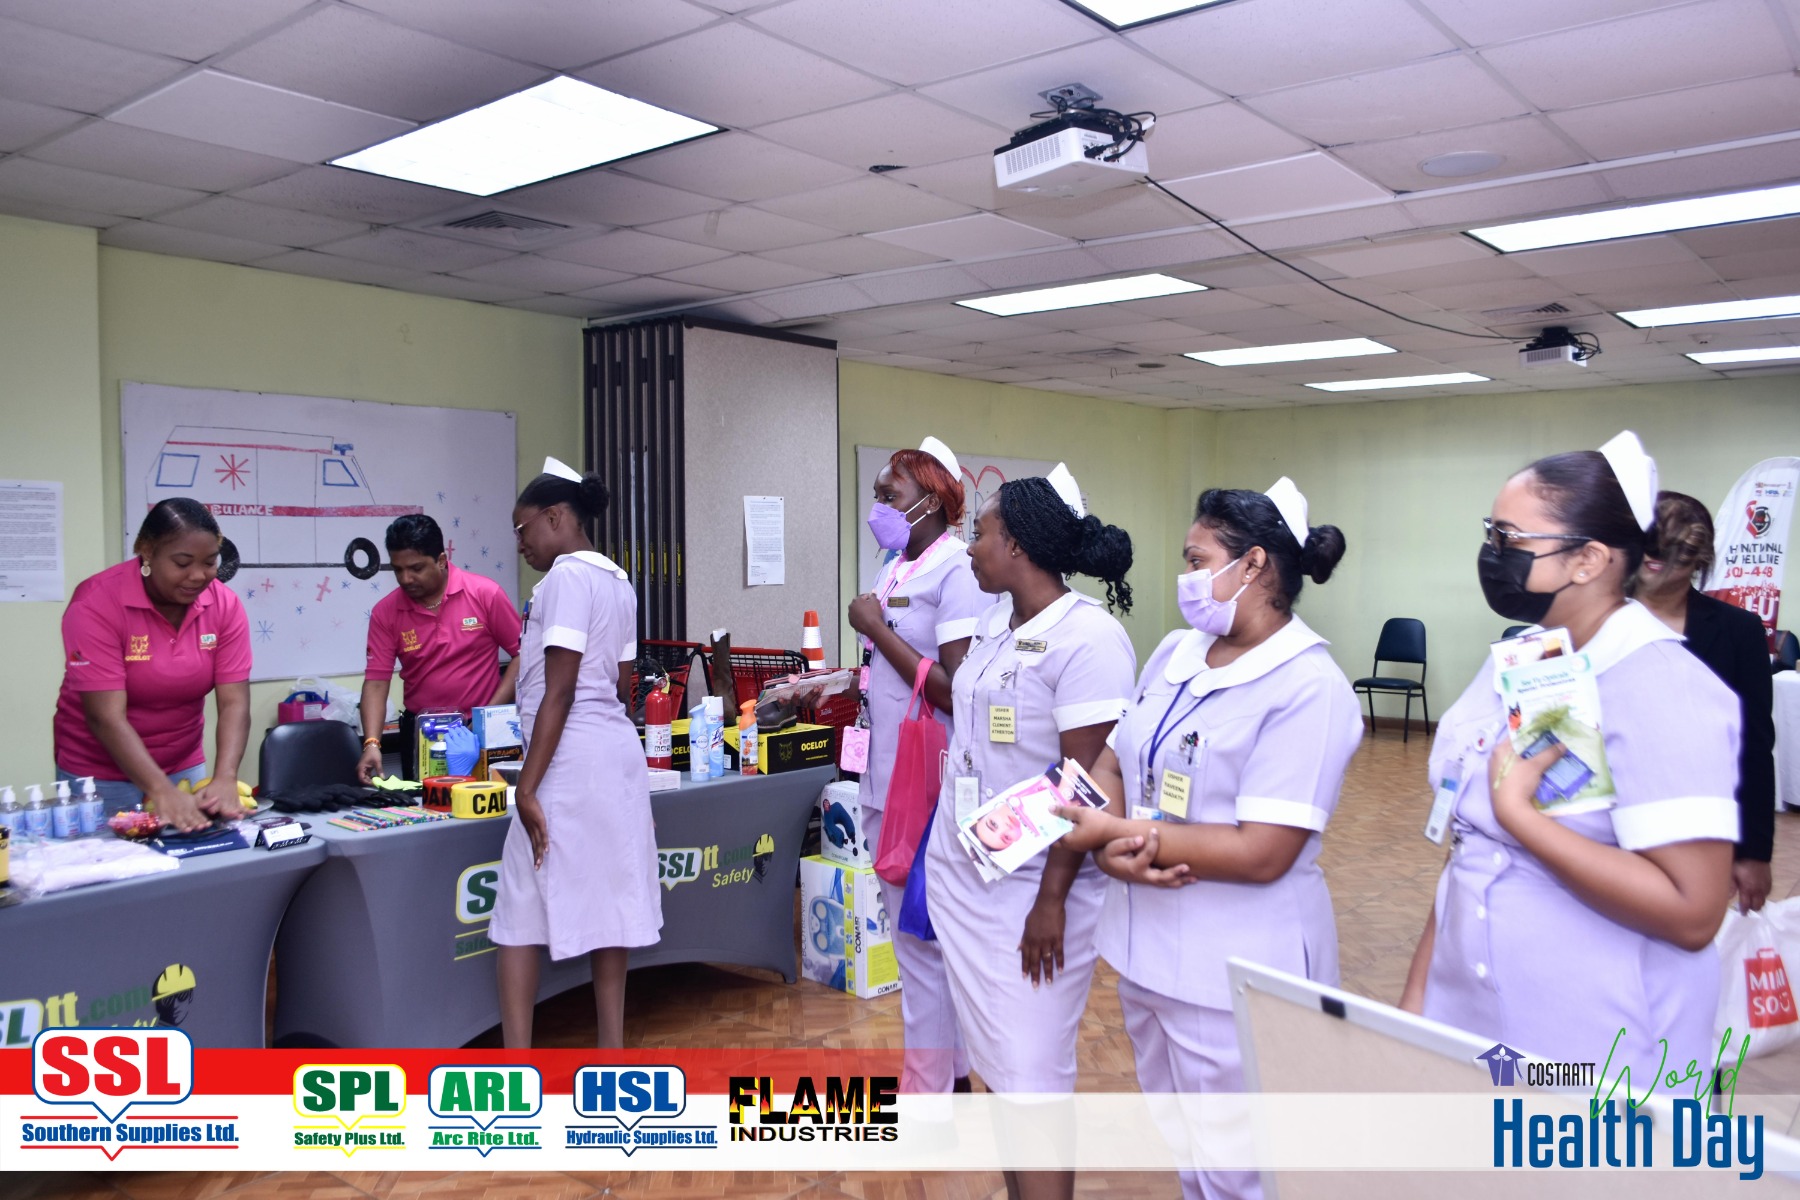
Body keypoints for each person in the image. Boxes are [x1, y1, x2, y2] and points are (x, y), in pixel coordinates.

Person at [1399, 433, 1740, 1079]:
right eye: (1490, 533)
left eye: (1510, 539)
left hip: (1601, 1043)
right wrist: (1418, 1006)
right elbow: (1469, 852)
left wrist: (1520, 816)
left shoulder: (1666, 688)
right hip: (1473, 1013)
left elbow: (1694, 912)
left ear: (1588, 559)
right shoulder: (1528, 657)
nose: (1491, 554)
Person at [1054, 479, 1358, 1200]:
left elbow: (1264, 850)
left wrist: (1119, 833)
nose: (1186, 577)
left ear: (1253, 565)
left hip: (1237, 965)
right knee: (1189, 1149)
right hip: (1146, 949)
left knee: (1242, 1168)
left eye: (1198, 561)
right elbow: (1115, 762)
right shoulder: (1176, 652)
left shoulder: (1309, 687)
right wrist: (1110, 843)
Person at [924, 465, 1136, 1200]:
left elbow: (1086, 782)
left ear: (1015, 544)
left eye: (979, 533)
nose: (969, 547)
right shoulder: (997, 625)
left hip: (1036, 890)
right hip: (972, 878)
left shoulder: (1089, 639)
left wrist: (1051, 900)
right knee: (1000, 1068)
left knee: (1033, 1075)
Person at [490, 457, 661, 1049]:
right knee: (609, 905)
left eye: (522, 529)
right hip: (612, 754)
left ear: (555, 517)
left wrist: (526, 787)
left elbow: (559, 691)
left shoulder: (565, 578)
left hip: (566, 760)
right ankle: (612, 1052)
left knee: (517, 912)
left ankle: (516, 1064)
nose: (520, 544)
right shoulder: (619, 581)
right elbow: (621, 684)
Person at [845, 436, 984, 1095]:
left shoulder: (955, 572)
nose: (878, 506)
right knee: (918, 942)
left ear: (930, 500)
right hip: (885, 772)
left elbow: (955, 689)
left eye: (888, 495)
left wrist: (877, 629)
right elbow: (888, 667)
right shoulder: (896, 566)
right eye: (876, 493)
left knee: (922, 945)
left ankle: (928, 1090)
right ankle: (952, 1076)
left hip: (926, 780)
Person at [54, 498, 250, 830]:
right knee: (114, 862)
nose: (198, 576)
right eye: (182, 563)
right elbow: (105, 716)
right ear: (147, 552)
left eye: (210, 562)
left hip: (182, 764)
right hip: (100, 776)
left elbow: (234, 702)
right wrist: (160, 790)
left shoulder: (224, 605)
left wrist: (225, 777)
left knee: (192, 857)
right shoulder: (95, 603)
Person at [1630, 491, 1776, 912]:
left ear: (1701, 558)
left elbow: (1753, 744)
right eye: (1651, 543)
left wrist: (1754, 851)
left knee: (1687, 932)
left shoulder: (1738, 631)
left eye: (1679, 548)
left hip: (1696, 822)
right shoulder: (1593, 617)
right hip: (1606, 818)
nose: (1659, 557)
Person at [357, 514, 521, 783]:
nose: (406, 578)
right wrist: (372, 743)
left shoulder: (485, 594)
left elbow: (522, 654)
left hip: (482, 731)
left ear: (442, 560)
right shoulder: (385, 612)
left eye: (416, 568)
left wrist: (486, 717)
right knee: (427, 805)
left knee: (484, 803)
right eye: (397, 570)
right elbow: (376, 682)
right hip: (423, 734)